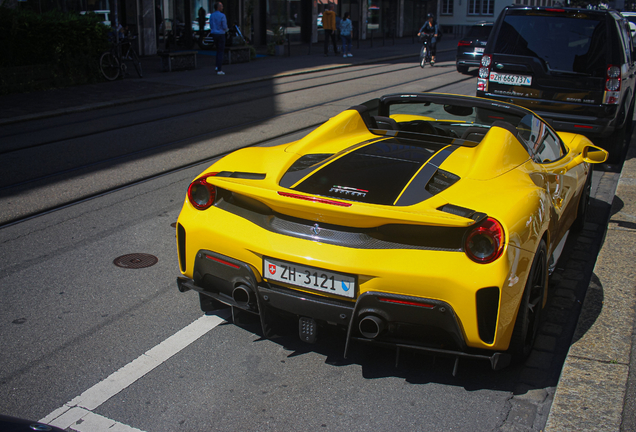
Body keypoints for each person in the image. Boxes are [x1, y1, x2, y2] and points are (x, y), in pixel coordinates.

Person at [210, 1, 228, 75]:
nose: (222, 7)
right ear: (219, 7)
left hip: (214, 33)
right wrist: (226, 29)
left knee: (217, 50)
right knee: (221, 51)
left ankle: (217, 66)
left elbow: (211, 25)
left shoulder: (212, 15)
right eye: (221, 6)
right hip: (221, 34)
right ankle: (219, 69)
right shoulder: (222, 16)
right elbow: (224, 26)